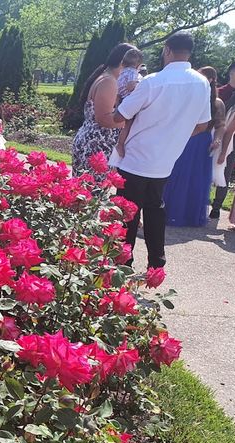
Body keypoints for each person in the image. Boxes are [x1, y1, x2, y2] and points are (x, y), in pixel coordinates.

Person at [111, 32, 211, 268]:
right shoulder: (202, 83)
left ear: (167, 50)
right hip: (165, 159)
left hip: (135, 157)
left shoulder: (153, 81)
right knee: (155, 209)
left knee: (128, 212)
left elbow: (120, 115)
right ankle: (157, 261)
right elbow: (203, 124)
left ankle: (123, 261)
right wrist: (174, 133)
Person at [162, 66, 224, 227]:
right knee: (176, 175)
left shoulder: (217, 103)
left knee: (196, 179)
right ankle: (167, 210)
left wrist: (217, 140)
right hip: (183, 137)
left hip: (201, 141)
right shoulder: (190, 96)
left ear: (211, 80)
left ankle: (190, 215)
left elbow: (220, 126)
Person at [71, 43, 139, 176]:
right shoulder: (109, 82)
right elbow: (104, 119)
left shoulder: (106, 78)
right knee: (91, 192)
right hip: (95, 147)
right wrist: (130, 120)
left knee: (85, 192)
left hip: (93, 144)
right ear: (122, 62)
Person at [210, 60, 235, 219]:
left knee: (226, 169)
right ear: (232, 71)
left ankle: (217, 205)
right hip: (213, 133)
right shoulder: (219, 92)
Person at [114, 48, 144, 158]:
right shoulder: (133, 73)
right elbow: (130, 86)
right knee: (128, 124)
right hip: (128, 100)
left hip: (120, 99)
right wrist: (139, 83)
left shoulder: (121, 72)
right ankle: (120, 144)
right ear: (138, 64)